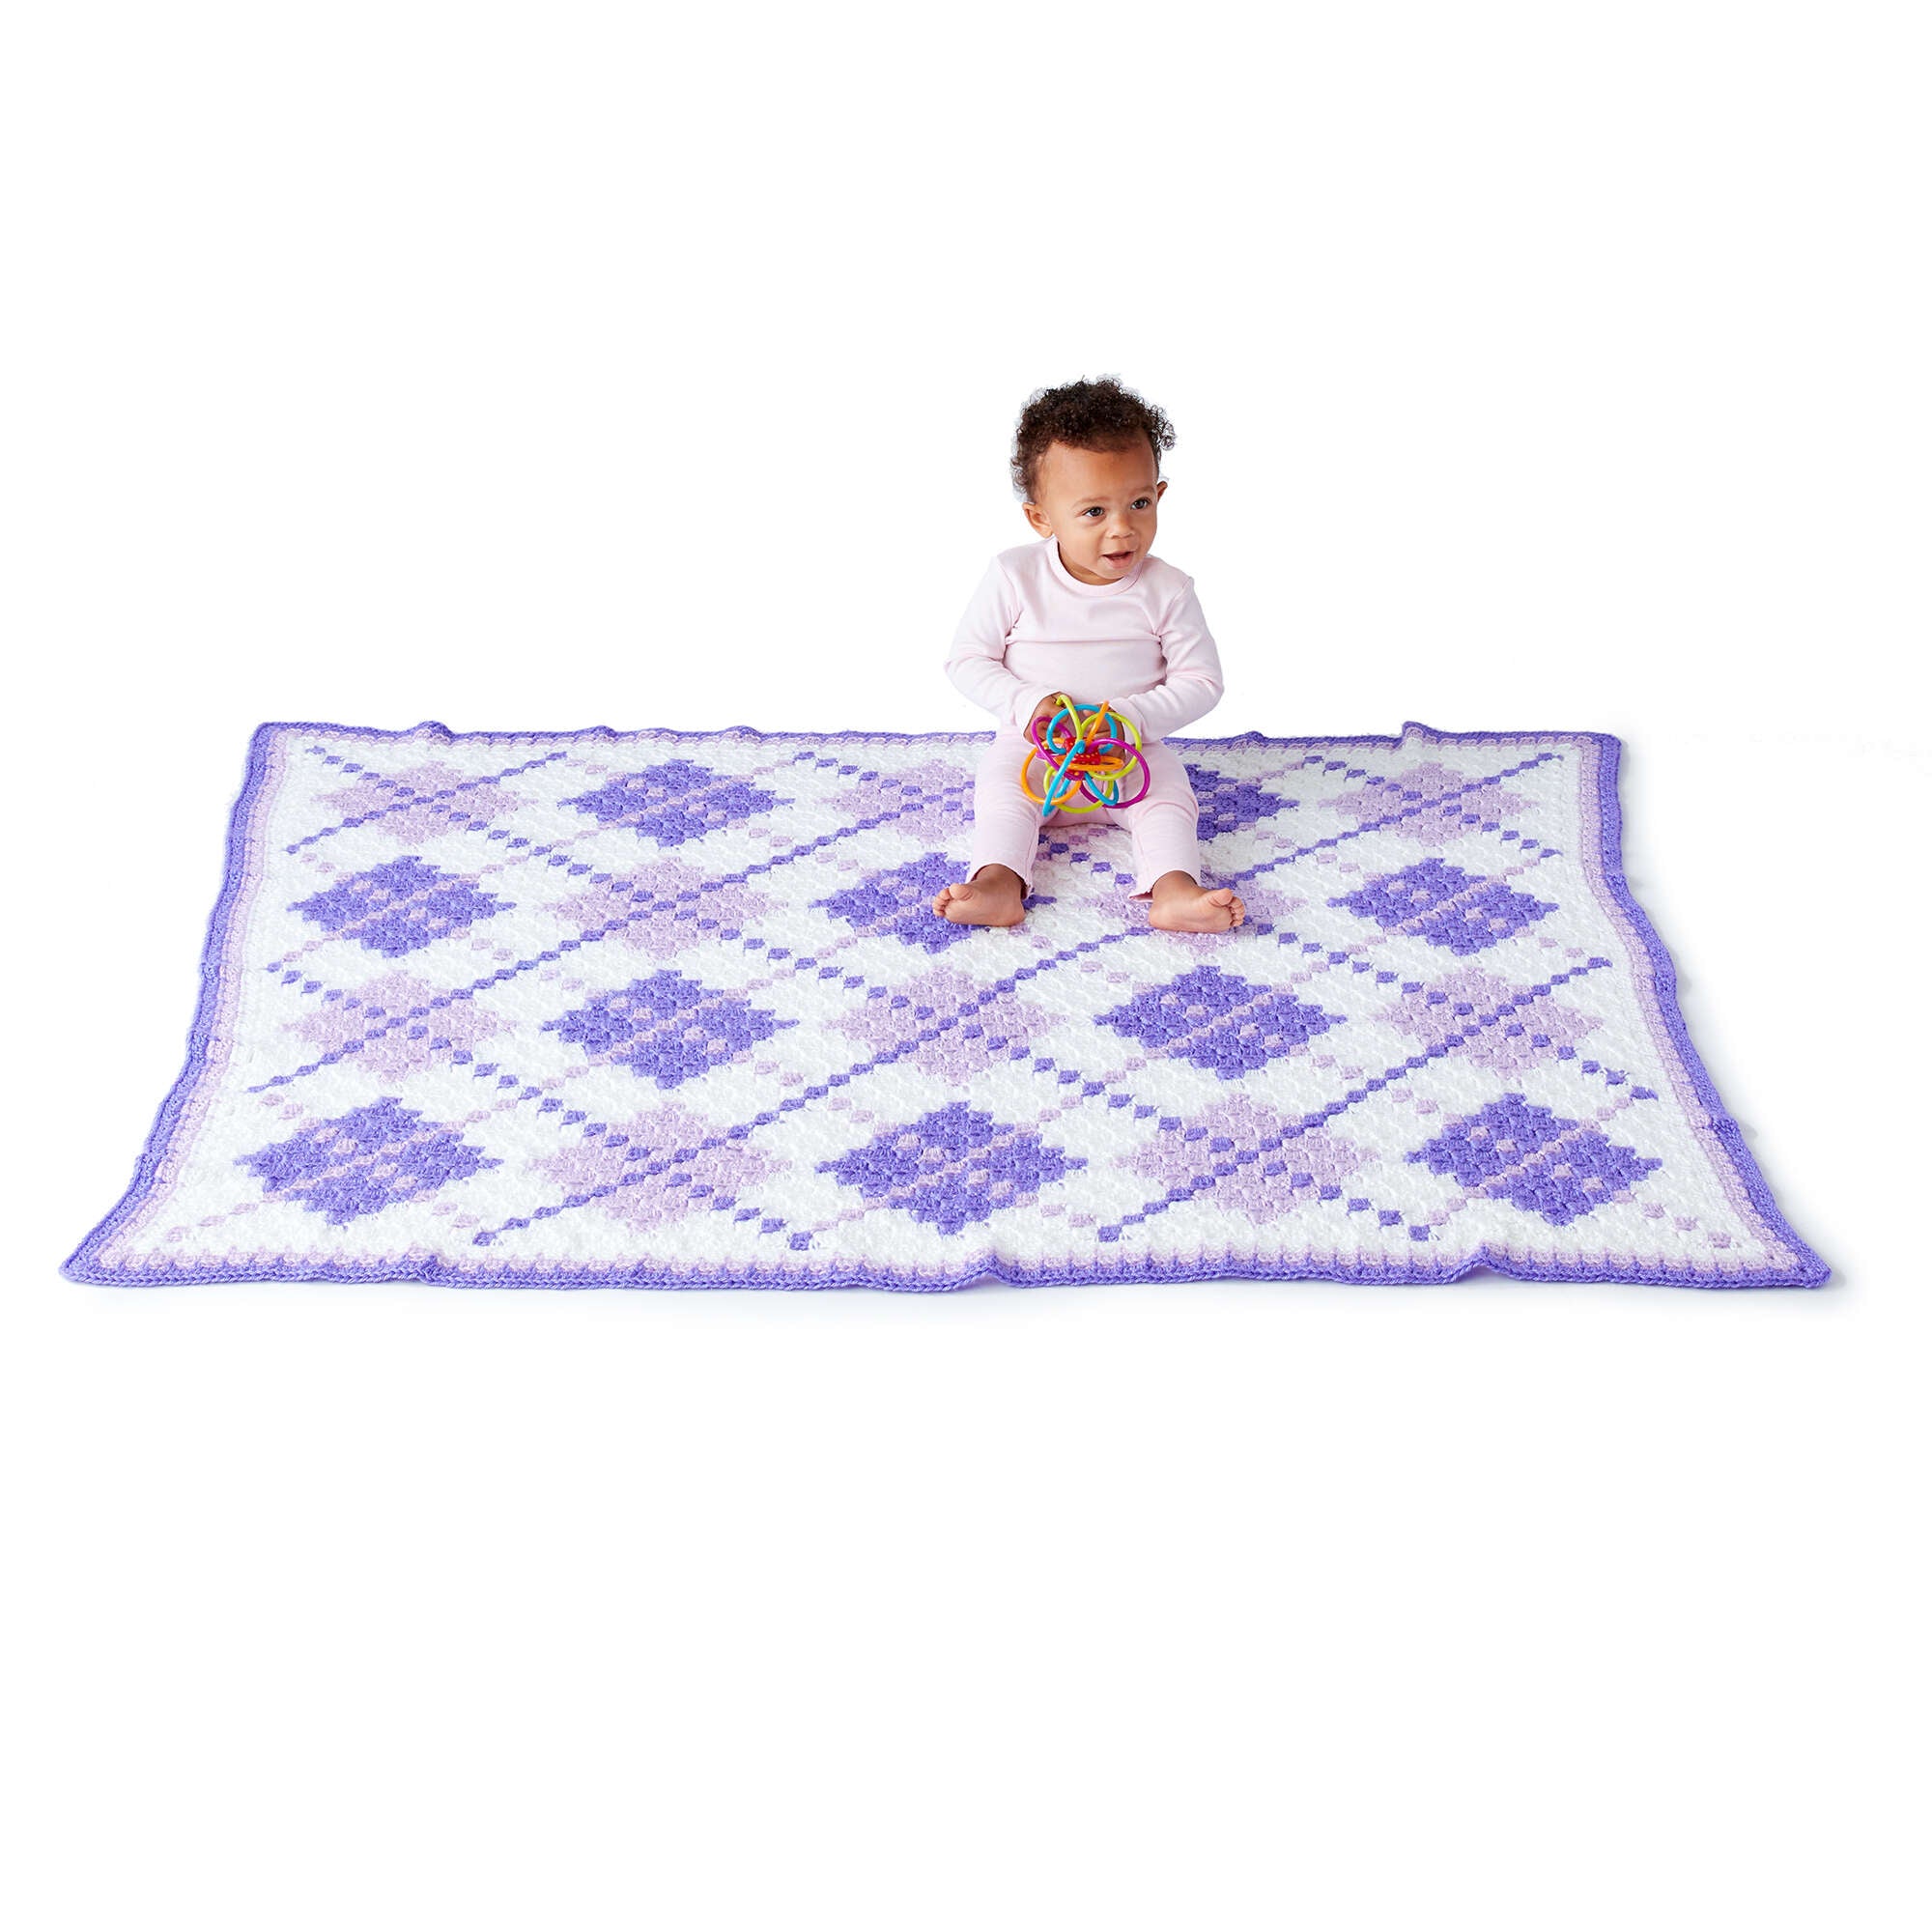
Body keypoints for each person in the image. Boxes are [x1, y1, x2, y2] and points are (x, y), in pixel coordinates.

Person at [932, 376, 1246, 933]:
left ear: (1160, 494)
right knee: (1002, 795)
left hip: (1128, 753)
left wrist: (1129, 719)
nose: (1122, 529)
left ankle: (1174, 889)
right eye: (1094, 511)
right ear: (1041, 518)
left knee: (1169, 798)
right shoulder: (1015, 575)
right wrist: (1029, 707)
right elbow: (968, 660)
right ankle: (999, 883)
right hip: (1035, 751)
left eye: (1139, 503)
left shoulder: (1169, 589)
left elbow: (1202, 681)